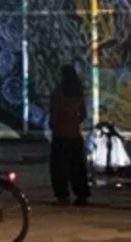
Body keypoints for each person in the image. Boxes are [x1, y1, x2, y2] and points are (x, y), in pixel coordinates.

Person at [48, 65, 90, 206]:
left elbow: (53, 116)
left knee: (59, 168)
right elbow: (83, 114)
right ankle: (81, 195)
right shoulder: (78, 94)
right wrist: (74, 122)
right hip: (75, 135)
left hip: (60, 136)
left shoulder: (58, 94)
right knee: (78, 167)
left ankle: (63, 196)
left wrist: (56, 125)